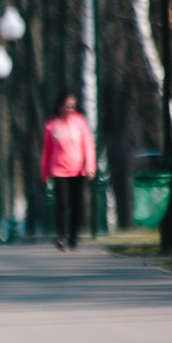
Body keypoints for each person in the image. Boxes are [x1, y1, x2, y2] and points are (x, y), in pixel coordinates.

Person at [40, 91, 96, 251]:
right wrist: (44, 173)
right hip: (59, 170)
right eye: (68, 106)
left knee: (77, 204)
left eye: (73, 106)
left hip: (78, 170)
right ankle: (61, 237)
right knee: (62, 204)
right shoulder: (51, 126)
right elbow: (47, 152)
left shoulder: (80, 123)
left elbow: (88, 146)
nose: (71, 109)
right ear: (60, 106)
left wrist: (90, 167)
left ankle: (74, 236)